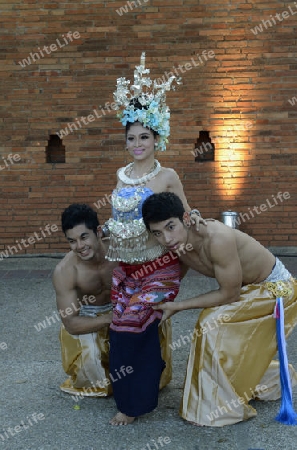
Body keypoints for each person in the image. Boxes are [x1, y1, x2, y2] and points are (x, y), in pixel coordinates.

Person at [104, 53, 203, 425]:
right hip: (125, 267)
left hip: (159, 267)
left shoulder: (168, 176)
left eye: (144, 136)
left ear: (157, 137)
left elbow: (185, 213)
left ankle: (135, 404)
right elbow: (119, 218)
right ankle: (136, 388)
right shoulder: (122, 174)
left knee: (133, 327)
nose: (137, 143)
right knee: (120, 328)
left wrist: (197, 222)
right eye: (131, 137)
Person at [142, 191, 297, 427]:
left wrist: (180, 306)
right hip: (248, 289)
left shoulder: (217, 239)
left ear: (185, 219)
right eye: (158, 233)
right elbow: (175, 278)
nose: (167, 238)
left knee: (209, 323)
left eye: (170, 227)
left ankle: (213, 407)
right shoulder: (178, 243)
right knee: (218, 329)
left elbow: (229, 294)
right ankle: (271, 378)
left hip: (276, 289)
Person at [52, 203, 117, 398]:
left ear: (98, 232)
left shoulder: (120, 250)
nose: (79, 246)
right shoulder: (65, 271)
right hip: (88, 316)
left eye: (84, 237)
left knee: (154, 321)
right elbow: (70, 323)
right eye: (72, 241)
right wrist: (110, 319)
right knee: (90, 361)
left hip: (120, 306)